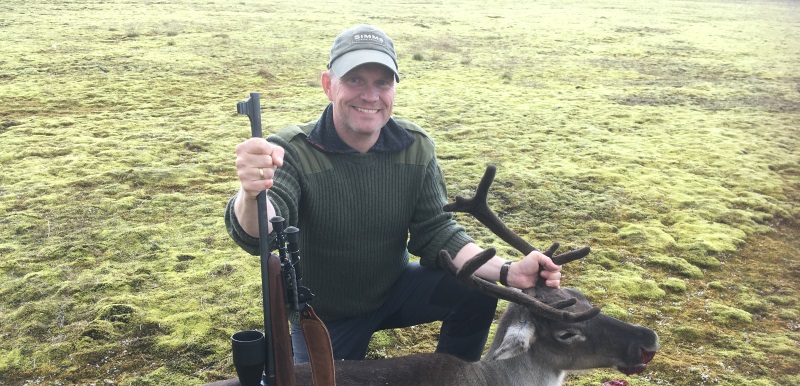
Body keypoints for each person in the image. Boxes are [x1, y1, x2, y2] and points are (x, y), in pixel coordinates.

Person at [226, 24, 562, 363]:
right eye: (355, 80)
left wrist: (509, 272)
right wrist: (252, 192)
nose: (370, 96)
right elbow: (261, 233)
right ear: (328, 85)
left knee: (474, 290)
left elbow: (438, 231)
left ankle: (456, 385)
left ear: (394, 89)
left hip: (395, 290)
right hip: (325, 315)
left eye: (382, 82)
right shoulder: (291, 151)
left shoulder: (415, 147)